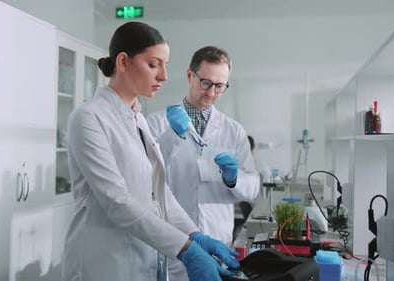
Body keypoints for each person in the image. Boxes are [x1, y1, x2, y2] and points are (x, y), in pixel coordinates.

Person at [62, 22, 239, 281]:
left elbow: (159, 194)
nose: (164, 76)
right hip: (104, 264)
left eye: (165, 66)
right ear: (123, 61)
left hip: (144, 260)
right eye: (154, 65)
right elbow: (117, 202)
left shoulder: (137, 118)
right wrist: (186, 250)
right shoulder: (88, 118)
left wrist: (194, 235)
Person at [147, 46, 260, 281]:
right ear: (190, 75)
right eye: (206, 83)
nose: (212, 92)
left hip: (218, 239)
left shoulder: (233, 131)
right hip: (173, 242)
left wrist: (233, 178)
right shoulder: (158, 123)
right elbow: (146, 175)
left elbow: (253, 188)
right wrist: (171, 137)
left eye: (220, 86)